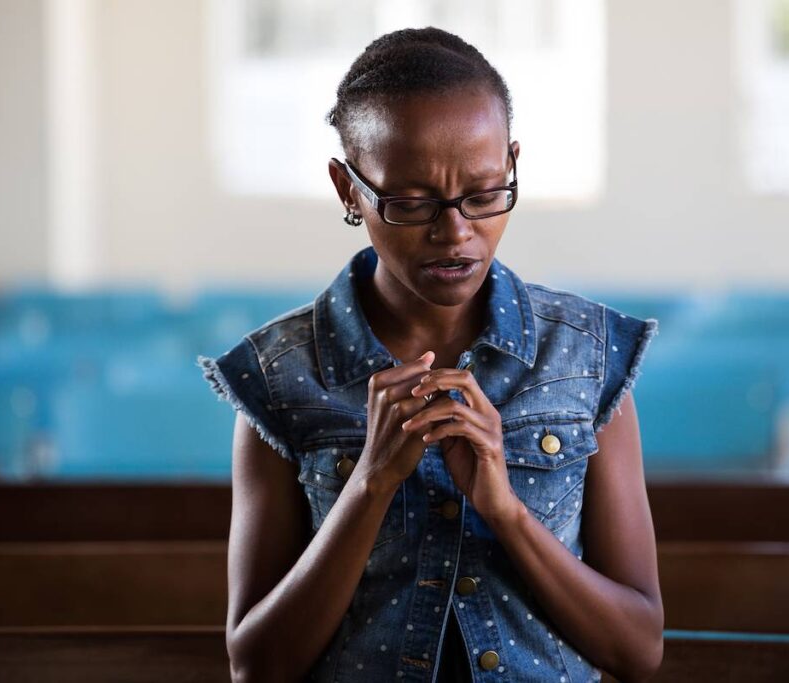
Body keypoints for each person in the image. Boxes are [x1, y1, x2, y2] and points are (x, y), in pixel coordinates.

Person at [198, 26, 663, 682]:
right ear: (347, 188)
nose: (455, 232)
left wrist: (505, 511)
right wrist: (370, 482)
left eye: (482, 194)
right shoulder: (281, 377)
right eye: (410, 203)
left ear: (512, 163)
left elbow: (638, 649)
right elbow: (257, 664)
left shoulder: (582, 356)